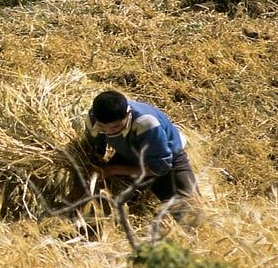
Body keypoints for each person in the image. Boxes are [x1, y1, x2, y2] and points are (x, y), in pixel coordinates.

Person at [82, 89, 198, 220]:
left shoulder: (146, 123)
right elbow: (96, 149)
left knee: (190, 215)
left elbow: (160, 168)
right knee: (101, 202)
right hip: (130, 155)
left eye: (115, 127)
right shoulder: (93, 118)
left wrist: (112, 169)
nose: (109, 132)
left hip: (167, 159)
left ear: (127, 113)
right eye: (103, 127)